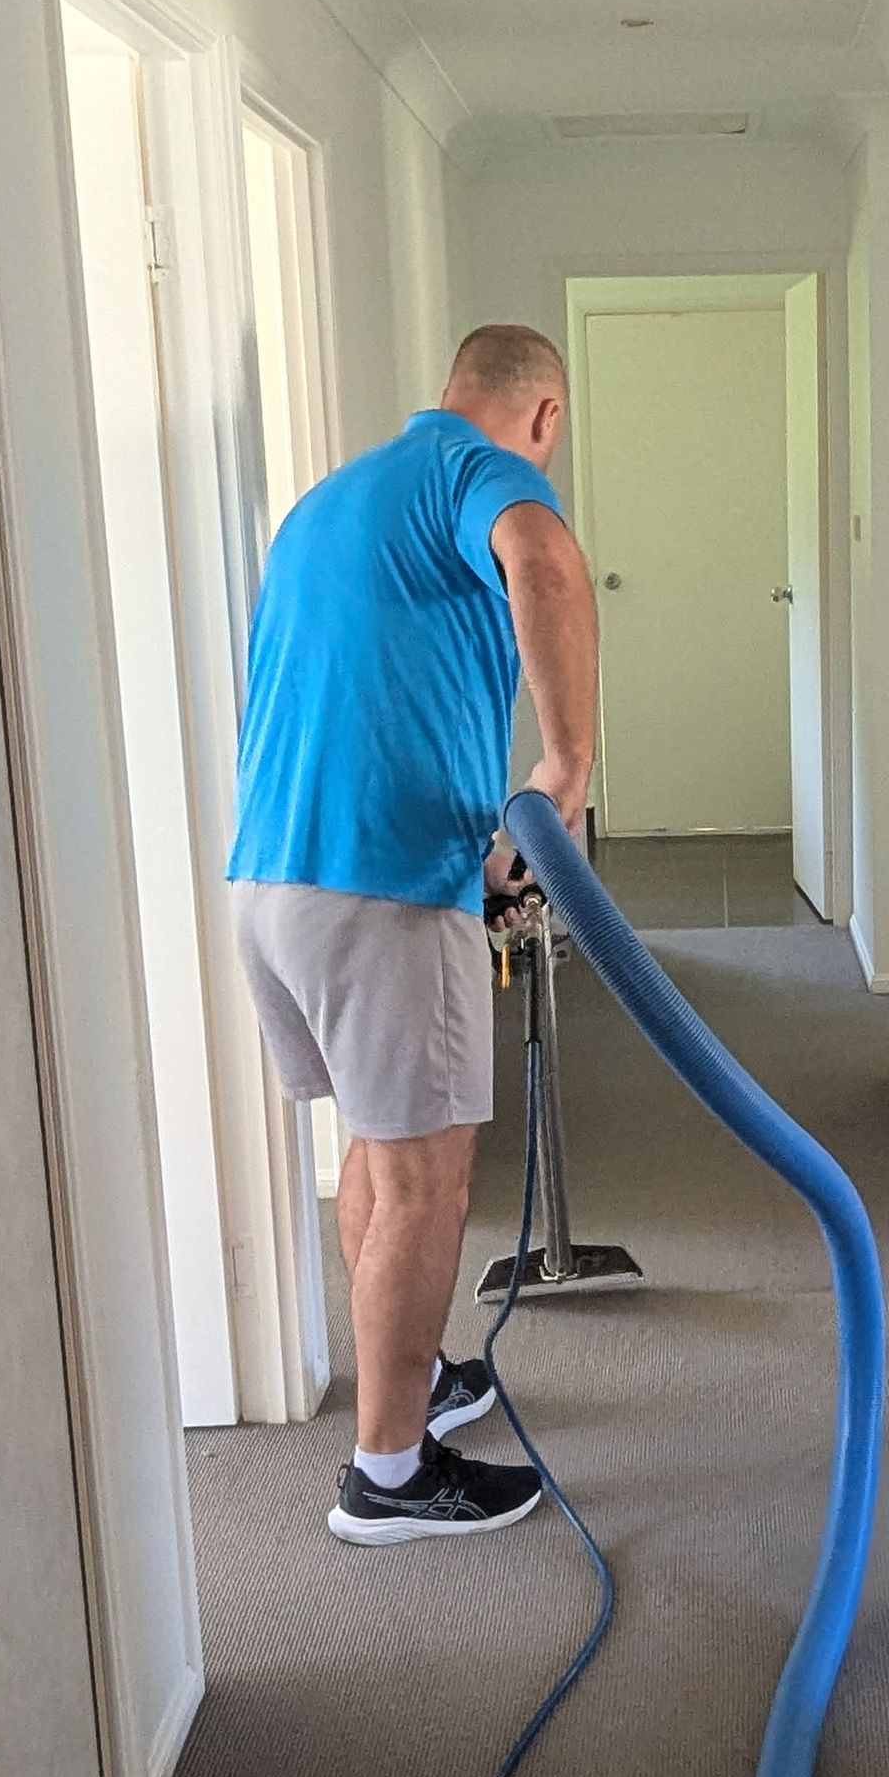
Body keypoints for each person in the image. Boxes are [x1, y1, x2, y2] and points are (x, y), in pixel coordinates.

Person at [227, 323, 597, 1543]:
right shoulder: (474, 474)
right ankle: (389, 1473)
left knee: (379, 1163)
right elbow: (542, 561)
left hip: (276, 880)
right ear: (538, 415)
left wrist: (477, 852)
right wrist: (564, 771)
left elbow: (365, 687)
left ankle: (420, 1378)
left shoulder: (332, 501)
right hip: (381, 883)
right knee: (427, 1183)